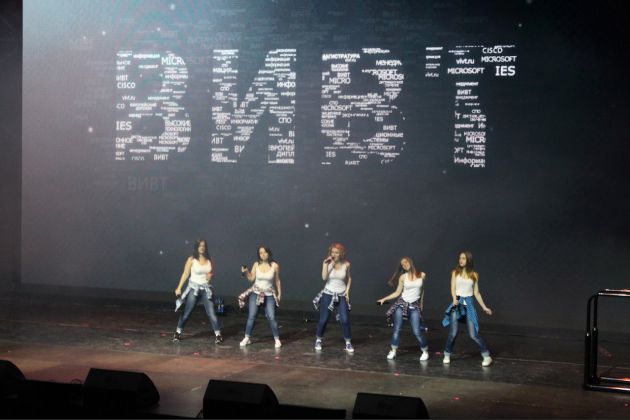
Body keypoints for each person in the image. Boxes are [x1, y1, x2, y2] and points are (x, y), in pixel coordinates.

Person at [442, 251, 493, 366]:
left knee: (473, 334)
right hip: (457, 303)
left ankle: (486, 356)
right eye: (460, 258)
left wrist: (484, 307)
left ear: (468, 260)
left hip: (469, 304)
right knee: (453, 333)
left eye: (464, 258)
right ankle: (447, 354)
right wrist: (454, 299)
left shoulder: (474, 275)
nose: (461, 260)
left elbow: (477, 293)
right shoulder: (455, 273)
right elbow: (453, 288)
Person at [377, 257, 429, 361]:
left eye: (406, 262)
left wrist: (421, 304)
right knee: (397, 329)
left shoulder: (422, 275)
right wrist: (384, 299)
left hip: (414, 306)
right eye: (402, 264)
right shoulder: (403, 277)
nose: (404, 264)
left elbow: (422, 291)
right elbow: (397, 292)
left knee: (416, 331)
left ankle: (425, 351)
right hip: (402, 305)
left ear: (410, 262)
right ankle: (393, 350)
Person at [173, 239, 222, 343]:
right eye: (200, 245)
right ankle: (177, 332)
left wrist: (210, 276)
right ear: (196, 247)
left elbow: (211, 273)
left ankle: (218, 335)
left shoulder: (210, 260)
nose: (202, 247)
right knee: (187, 312)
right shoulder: (191, 259)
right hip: (194, 288)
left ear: (206, 247)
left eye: (203, 245)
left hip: (205, 289)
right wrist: (179, 287)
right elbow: (185, 274)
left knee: (212, 313)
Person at [238, 245, 283, 348]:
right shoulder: (256, 264)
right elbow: (251, 279)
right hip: (256, 293)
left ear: (268, 253)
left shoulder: (274, 266)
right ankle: (247, 338)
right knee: (252, 316)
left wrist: (279, 294)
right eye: (260, 253)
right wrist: (246, 272)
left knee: (271, 317)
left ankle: (277, 339)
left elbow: (277, 280)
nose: (263, 254)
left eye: (264, 252)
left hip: (269, 294)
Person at [312, 242, 354, 353]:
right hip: (328, 293)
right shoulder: (328, 263)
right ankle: (318, 339)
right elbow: (324, 278)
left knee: (344, 319)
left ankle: (348, 342)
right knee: (324, 319)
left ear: (341, 253)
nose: (334, 254)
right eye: (332, 252)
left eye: (336, 252)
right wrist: (325, 264)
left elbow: (349, 278)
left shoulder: (346, 264)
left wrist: (347, 292)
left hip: (341, 294)